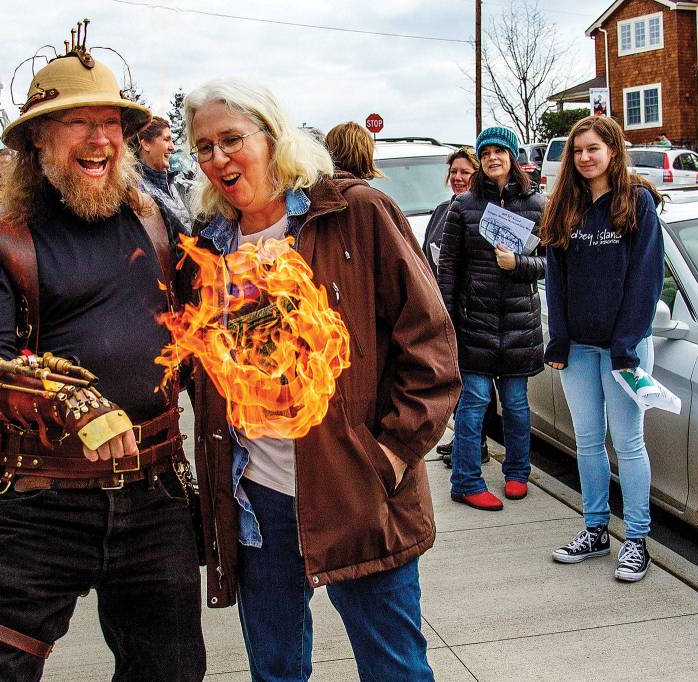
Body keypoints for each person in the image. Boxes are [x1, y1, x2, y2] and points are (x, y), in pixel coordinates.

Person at [183, 78, 460, 681]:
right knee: (277, 671)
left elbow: (430, 344)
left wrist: (386, 454)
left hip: (355, 489)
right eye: (203, 146)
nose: (218, 158)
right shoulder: (208, 246)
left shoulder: (353, 213)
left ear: (273, 136)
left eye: (232, 139)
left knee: (395, 670)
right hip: (256, 501)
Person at [0, 37, 206, 681]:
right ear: (37, 140)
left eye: (111, 123)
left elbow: (209, 321)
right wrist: (67, 400)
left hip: (156, 494)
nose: (100, 140)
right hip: (43, 498)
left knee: (170, 673)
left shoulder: (156, 221)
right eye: (77, 123)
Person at [540, 115, 664, 582]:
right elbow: (557, 280)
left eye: (593, 148)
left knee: (628, 443)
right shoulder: (564, 206)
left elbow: (645, 280)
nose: (585, 158)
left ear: (613, 150)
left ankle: (636, 540)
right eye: (578, 150)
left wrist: (627, 345)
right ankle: (595, 529)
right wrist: (559, 338)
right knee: (588, 443)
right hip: (579, 352)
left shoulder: (637, 203)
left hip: (624, 351)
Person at [438, 126, 545, 512]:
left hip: (519, 323)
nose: (493, 158)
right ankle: (465, 481)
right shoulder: (463, 206)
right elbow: (447, 268)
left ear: (513, 156)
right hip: (474, 323)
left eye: (500, 151)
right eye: (486, 153)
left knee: (516, 403)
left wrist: (518, 263)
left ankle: (518, 471)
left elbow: (549, 264)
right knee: (475, 402)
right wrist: (447, 322)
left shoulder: (537, 203)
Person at [421, 147, 492, 467]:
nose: (459, 178)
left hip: (475, 308)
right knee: (455, 379)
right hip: (444, 305)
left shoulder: (485, 210)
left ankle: (476, 445)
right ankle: (464, 439)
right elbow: (426, 257)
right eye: (455, 172)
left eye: (466, 172)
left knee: (475, 383)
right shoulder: (440, 211)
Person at [136, 115, 192, 235]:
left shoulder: (173, 183)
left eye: (172, 140)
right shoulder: (136, 190)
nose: (172, 147)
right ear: (146, 144)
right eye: (166, 140)